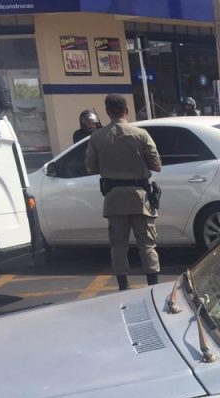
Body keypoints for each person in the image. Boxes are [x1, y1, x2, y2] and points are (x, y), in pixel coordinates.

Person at [85, 93, 162, 291]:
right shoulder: (141, 134)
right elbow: (156, 165)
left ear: (108, 112)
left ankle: (123, 286)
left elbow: (91, 168)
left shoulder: (97, 137)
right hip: (139, 197)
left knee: (118, 246)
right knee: (147, 244)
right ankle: (153, 286)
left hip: (114, 198)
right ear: (126, 111)